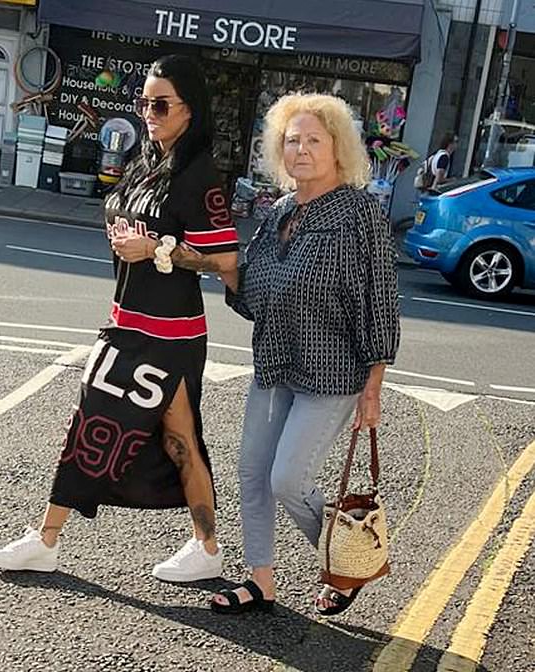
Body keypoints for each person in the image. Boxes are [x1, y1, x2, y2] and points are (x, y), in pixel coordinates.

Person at [0, 55, 239, 583]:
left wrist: (160, 248)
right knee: (93, 425)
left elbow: (224, 260)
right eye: (144, 101)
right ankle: (48, 540)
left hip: (170, 333)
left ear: (190, 110)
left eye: (161, 103)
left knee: (177, 439)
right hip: (126, 321)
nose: (149, 111)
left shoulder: (200, 173)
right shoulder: (148, 159)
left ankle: (206, 546)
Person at [210, 93, 400, 616]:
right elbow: (254, 296)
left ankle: (346, 562)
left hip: (332, 373)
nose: (301, 149)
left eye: (314, 139)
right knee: (252, 472)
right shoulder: (279, 213)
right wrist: (211, 265)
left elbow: (380, 302)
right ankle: (261, 582)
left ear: (338, 148)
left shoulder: (360, 214)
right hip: (274, 365)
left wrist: (374, 386)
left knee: (287, 479)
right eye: (292, 139)